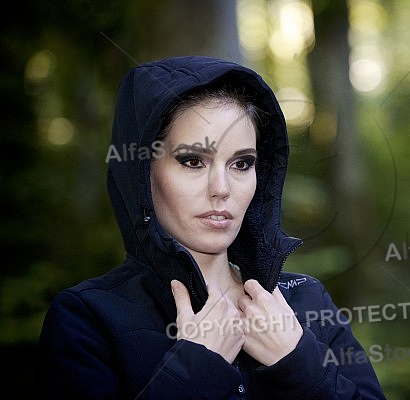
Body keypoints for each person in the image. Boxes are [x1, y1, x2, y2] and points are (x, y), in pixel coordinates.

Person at [32, 55, 387, 399]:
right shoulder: (87, 319)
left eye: (241, 163)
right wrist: (195, 370)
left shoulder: (304, 298)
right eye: (192, 161)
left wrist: (296, 362)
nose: (222, 188)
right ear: (143, 173)